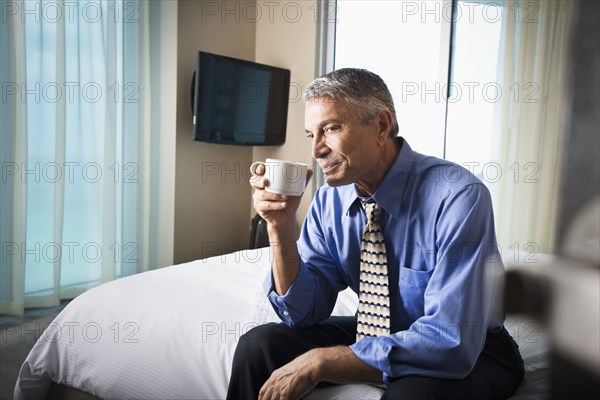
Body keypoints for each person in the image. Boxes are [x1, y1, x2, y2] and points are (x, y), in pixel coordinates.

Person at [227, 68, 524, 400]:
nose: (317, 150)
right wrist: (280, 227)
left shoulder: (458, 196)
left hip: (475, 349)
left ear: (381, 126)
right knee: (259, 347)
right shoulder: (329, 199)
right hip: (377, 333)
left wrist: (323, 361)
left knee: (410, 395)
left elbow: (451, 340)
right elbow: (301, 312)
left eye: (331, 128)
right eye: (312, 134)